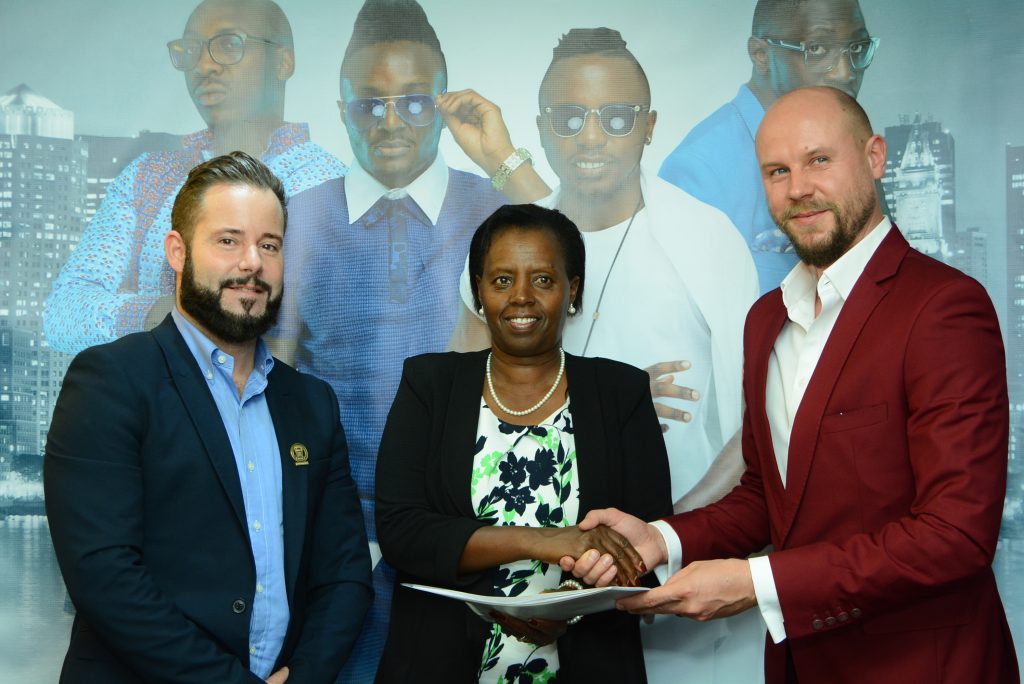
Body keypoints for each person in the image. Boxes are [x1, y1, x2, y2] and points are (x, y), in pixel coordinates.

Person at [567, 87, 1019, 683]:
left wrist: (756, 583)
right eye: (777, 170)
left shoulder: (942, 307)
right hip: (799, 667)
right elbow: (767, 495)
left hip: (921, 666)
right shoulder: (765, 320)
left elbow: (954, 536)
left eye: (819, 160)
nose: (797, 187)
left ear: (876, 157)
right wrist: (660, 538)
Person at [447, 28, 762, 683]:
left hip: (679, 597)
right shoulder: (507, 251)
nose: (592, 137)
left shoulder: (705, 240)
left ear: (648, 126)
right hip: (531, 597)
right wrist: (607, 401)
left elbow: (752, 434)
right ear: (544, 125)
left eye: (617, 118)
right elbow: (458, 416)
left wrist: (655, 544)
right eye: (570, 117)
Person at [273, 1, 548, 679]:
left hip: (475, 545)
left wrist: (506, 159)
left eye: (414, 102)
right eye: (369, 104)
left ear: (445, 104)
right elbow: (269, 383)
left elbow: (568, 273)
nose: (391, 121)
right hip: (334, 549)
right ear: (340, 111)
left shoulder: (498, 207)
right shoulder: (299, 219)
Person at [44, 152, 372, 684]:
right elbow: (104, 575)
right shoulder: (110, 381)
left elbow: (345, 574)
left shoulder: (311, 403)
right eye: (228, 240)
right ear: (177, 251)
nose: (253, 263)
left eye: (270, 245)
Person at [374, 203, 671, 682]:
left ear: (572, 290)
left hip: (589, 661)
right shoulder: (429, 384)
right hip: (438, 660)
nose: (522, 298)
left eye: (543, 280)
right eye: (502, 280)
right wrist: (548, 541)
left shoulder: (621, 393)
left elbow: (649, 545)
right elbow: (402, 533)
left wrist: (568, 610)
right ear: (478, 290)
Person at [44, 0, 346, 354]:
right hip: (147, 401)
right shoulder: (149, 175)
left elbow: (289, 322)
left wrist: (134, 307)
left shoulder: (327, 183)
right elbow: (63, 314)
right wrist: (162, 311)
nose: (203, 66)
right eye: (190, 51)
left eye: (228, 44)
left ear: (282, 62)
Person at [658, 0, 878, 294]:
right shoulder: (698, 170)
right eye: (818, 49)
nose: (845, 72)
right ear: (760, 55)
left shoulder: (853, 146)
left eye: (857, 48)